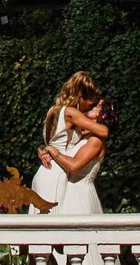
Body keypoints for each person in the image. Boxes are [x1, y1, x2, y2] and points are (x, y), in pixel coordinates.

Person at [30, 71, 110, 215]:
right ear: (80, 97)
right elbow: (104, 131)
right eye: (90, 103)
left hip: (45, 172)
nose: (90, 107)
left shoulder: (53, 111)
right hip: (56, 175)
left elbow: (52, 142)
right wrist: (49, 150)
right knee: (50, 227)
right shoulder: (70, 113)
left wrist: (44, 149)